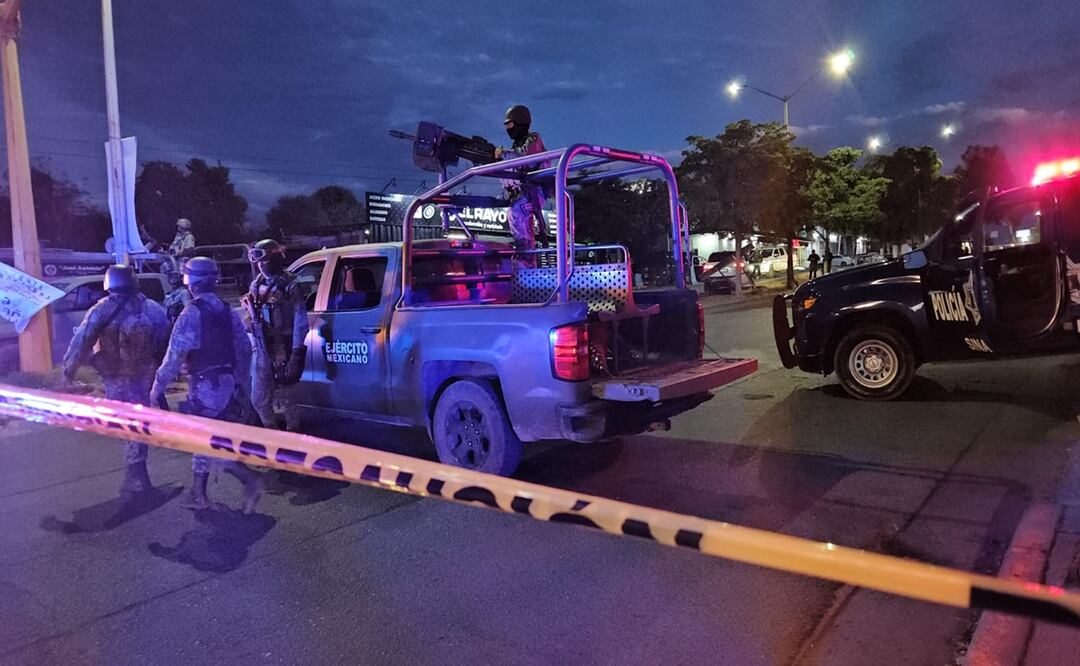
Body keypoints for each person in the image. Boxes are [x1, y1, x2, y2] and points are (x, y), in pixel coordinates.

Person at [150, 256, 263, 513]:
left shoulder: (191, 313)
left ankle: (247, 480)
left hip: (206, 387)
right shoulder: (226, 309)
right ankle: (198, 494)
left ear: (191, 280)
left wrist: (157, 387)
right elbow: (244, 348)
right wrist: (241, 385)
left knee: (206, 440)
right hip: (227, 384)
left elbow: (174, 355)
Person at [62, 264, 170, 499]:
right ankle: (138, 472)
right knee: (138, 423)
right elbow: (163, 341)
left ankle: (136, 476)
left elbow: (82, 341)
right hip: (142, 376)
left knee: (125, 423)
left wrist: (68, 371)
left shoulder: (102, 309)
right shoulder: (152, 308)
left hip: (115, 377)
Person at [245, 239, 308, 432]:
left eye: (264, 259)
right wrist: (248, 321)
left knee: (287, 396)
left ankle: (292, 434)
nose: (260, 265)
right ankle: (271, 431)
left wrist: (296, 353)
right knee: (258, 397)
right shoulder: (257, 284)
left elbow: (300, 319)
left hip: (284, 347)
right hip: (262, 347)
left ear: (274, 259)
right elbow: (250, 312)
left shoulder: (290, 284)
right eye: (257, 261)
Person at [494, 105, 548, 263]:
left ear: (520, 123)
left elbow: (525, 161)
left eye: (510, 125)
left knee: (517, 214)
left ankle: (526, 262)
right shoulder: (517, 145)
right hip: (525, 193)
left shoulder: (533, 139)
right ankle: (527, 262)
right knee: (519, 220)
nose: (508, 129)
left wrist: (501, 154)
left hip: (534, 192)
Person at [163, 260, 192, 325]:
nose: (173, 280)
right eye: (171, 278)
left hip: (180, 321)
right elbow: (166, 304)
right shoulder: (170, 293)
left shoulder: (183, 292)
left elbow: (188, 308)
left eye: (175, 278)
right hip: (170, 320)